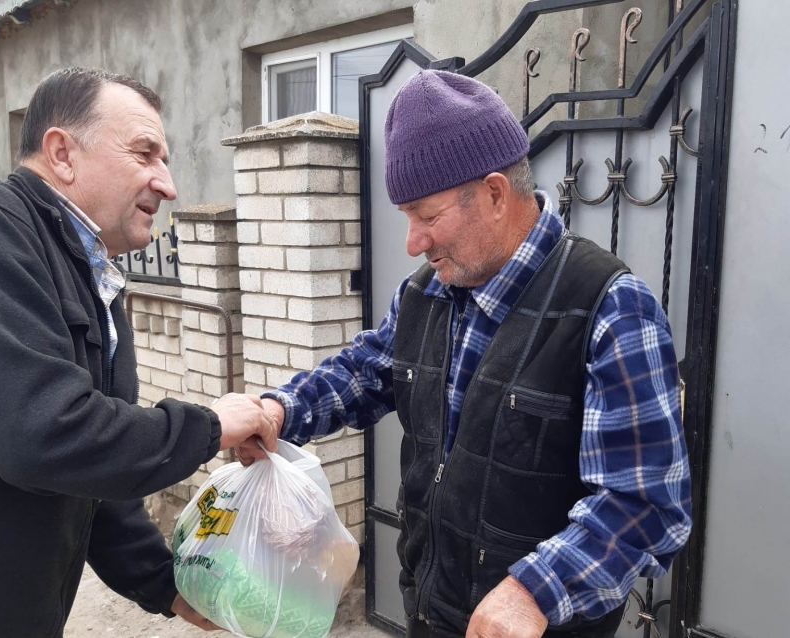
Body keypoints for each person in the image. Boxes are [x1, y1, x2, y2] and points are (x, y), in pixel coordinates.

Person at [242, 71, 692, 638]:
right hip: (431, 615)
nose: (413, 242)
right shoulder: (425, 293)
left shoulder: (609, 307)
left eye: (427, 217)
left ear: (496, 193)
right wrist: (280, 410)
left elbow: (646, 505)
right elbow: (365, 370)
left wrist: (536, 590)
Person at [0, 67, 277, 638]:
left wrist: (164, 584)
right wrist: (210, 426)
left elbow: (88, 475)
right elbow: (47, 436)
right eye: (145, 153)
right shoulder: (1, 241)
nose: (168, 185)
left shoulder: (90, 270)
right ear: (62, 154)